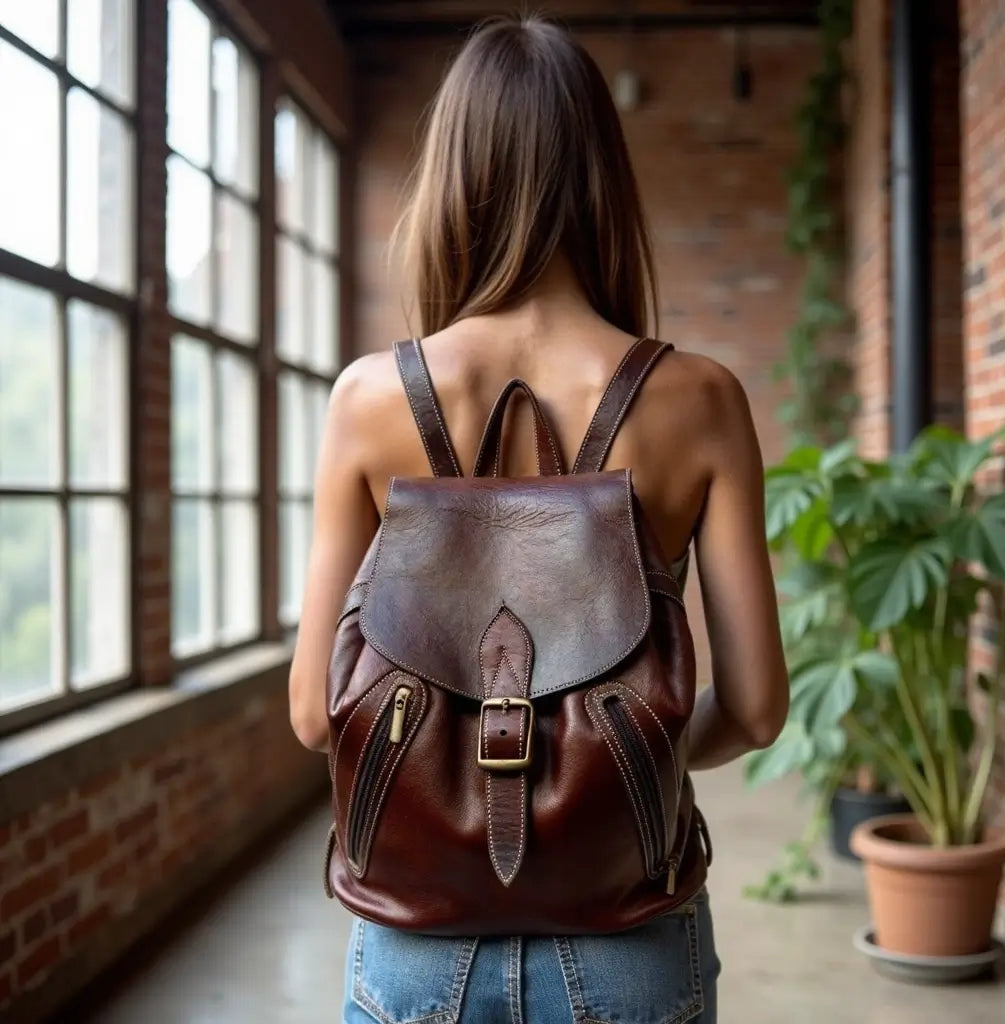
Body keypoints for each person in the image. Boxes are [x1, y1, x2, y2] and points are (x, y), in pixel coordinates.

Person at [288, 15, 788, 1024]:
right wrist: (604, 768)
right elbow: (756, 707)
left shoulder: (368, 399)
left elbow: (314, 712)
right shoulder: (700, 399)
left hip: (414, 937)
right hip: (630, 935)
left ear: (451, 179)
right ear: (603, 178)